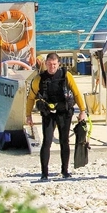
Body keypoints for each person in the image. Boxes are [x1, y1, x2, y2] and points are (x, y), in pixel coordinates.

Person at [25, 52, 87, 180]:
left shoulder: (66, 76)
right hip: (48, 113)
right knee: (47, 141)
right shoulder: (39, 79)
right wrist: (28, 115)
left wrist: (82, 111)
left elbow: (76, 93)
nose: (52, 67)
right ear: (46, 64)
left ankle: (65, 171)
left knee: (64, 141)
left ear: (58, 64)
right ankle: (44, 173)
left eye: (54, 64)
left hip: (64, 112)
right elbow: (31, 98)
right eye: (49, 64)